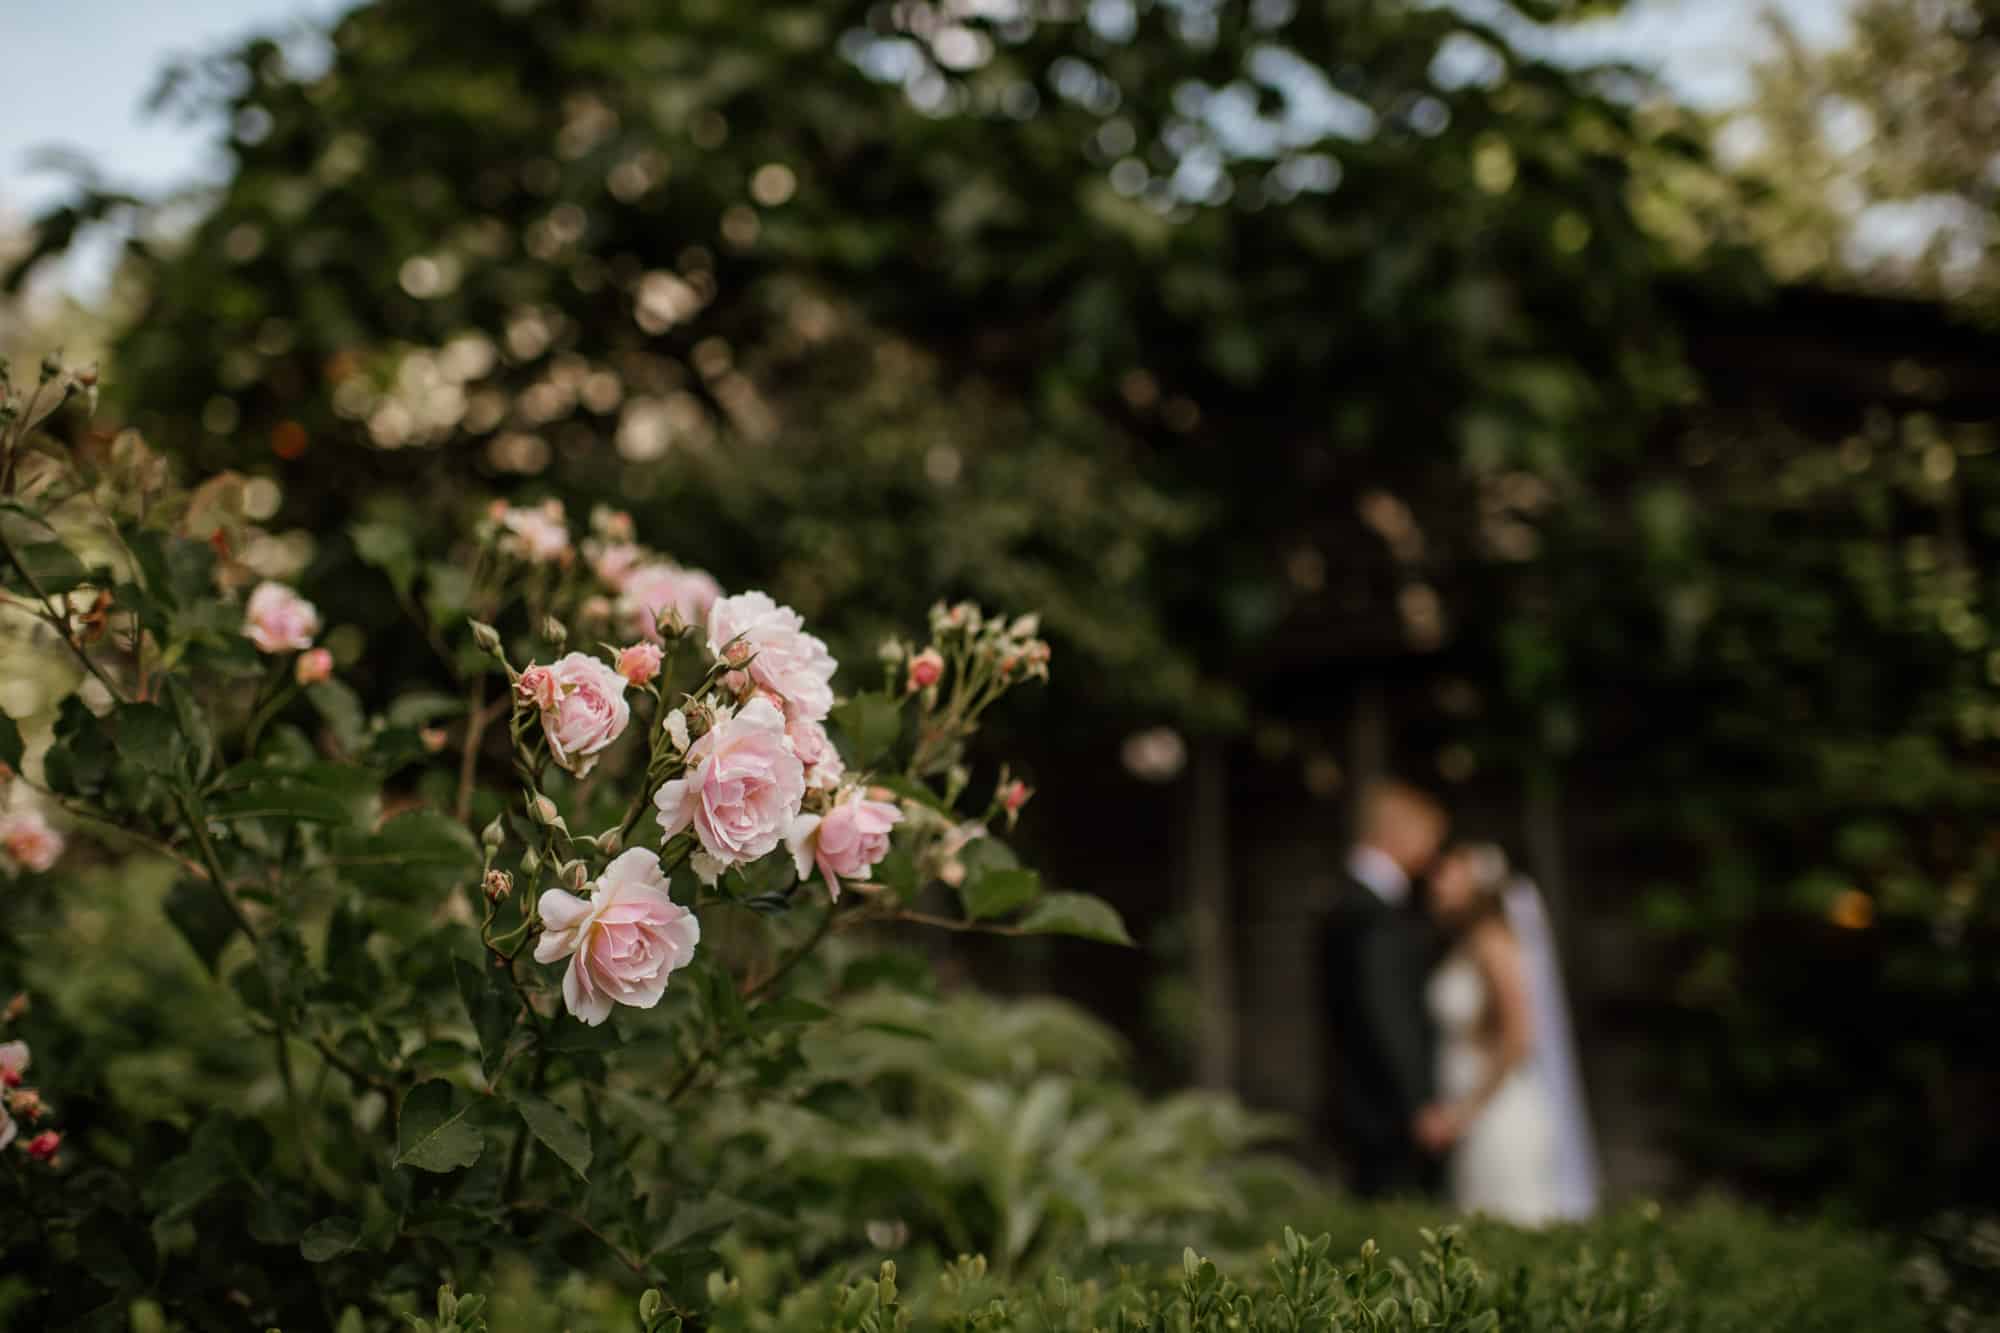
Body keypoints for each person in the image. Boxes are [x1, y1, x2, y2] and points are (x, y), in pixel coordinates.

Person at [1415, 843, 1561, 1225]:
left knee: (1504, 1219)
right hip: (1467, 1106)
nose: (1437, 885)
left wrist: (1463, 1112)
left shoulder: (1496, 946)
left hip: (1496, 1111)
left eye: (1448, 875)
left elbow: (1519, 1037)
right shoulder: (1466, 946)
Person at [1322, 779, 1449, 1199]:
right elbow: (1386, 1013)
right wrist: (1417, 1103)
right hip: (1384, 1109)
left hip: (1366, 1102)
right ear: (1399, 835)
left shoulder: (1351, 900)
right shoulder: (1371, 913)